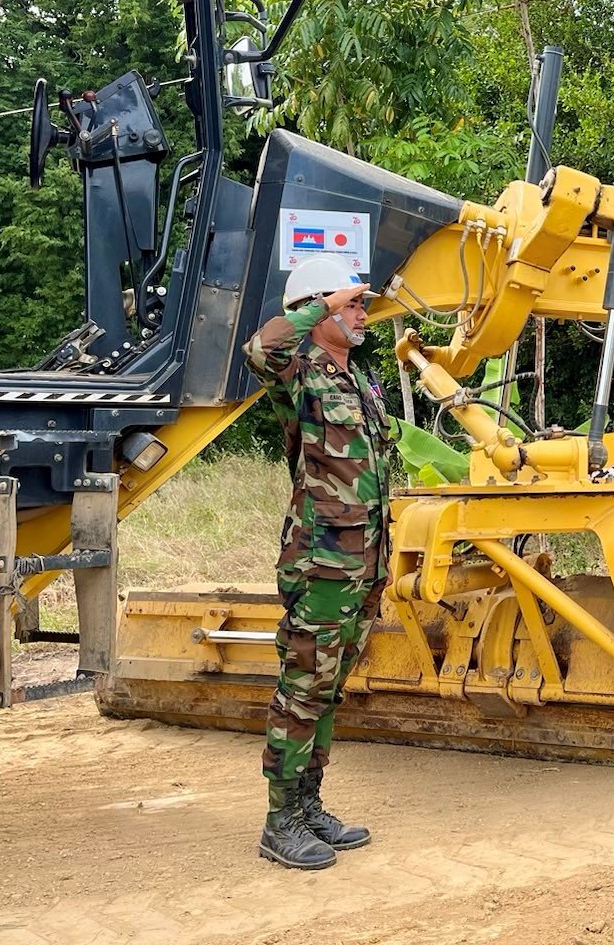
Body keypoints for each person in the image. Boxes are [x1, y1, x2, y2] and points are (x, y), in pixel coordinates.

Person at [243, 255, 399, 870]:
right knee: (304, 686)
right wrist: (326, 301)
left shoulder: (356, 379)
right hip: (322, 564)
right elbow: (260, 348)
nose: (363, 313)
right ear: (322, 308)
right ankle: (279, 821)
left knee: (329, 690)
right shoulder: (298, 373)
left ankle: (309, 806)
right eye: (353, 305)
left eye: (362, 305)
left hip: (364, 562)